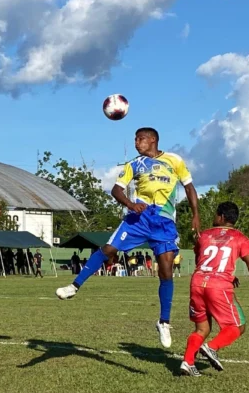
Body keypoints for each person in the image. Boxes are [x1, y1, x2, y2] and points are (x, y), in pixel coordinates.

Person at [56, 127, 200, 349]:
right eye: (135, 139)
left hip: (163, 221)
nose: (136, 143)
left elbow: (189, 187)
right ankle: (74, 286)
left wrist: (196, 215)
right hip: (138, 218)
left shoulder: (175, 160)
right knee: (108, 250)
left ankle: (164, 322)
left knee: (166, 269)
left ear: (153, 139)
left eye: (140, 139)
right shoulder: (133, 165)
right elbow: (116, 190)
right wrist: (131, 204)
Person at [180, 202, 249, 377]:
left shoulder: (205, 235)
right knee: (238, 326)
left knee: (202, 328)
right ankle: (211, 347)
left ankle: (188, 362)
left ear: (221, 216)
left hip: (197, 282)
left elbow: (201, 255)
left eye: (216, 214)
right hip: (218, 285)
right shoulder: (240, 238)